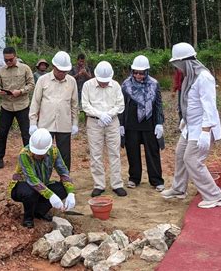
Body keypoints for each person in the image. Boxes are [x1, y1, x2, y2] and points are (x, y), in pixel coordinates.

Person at [161, 42, 221, 209]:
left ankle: (216, 196)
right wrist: (185, 118)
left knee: (192, 160)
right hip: (190, 126)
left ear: (186, 62)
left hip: (202, 127)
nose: (177, 68)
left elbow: (209, 106)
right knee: (180, 154)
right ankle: (178, 189)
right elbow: (190, 102)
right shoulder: (189, 77)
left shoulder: (204, 77)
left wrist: (206, 131)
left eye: (178, 64)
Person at [8, 128, 76, 228]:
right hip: (23, 186)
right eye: (36, 152)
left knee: (62, 189)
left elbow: (63, 172)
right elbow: (31, 179)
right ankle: (28, 218)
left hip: (43, 185)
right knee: (30, 192)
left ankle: (39, 211)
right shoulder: (24, 154)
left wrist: (71, 192)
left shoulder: (54, 152)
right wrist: (51, 195)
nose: (37, 155)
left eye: (41, 153)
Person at [119, 55, 165, 192]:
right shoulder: (126, 85)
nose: (138, 75)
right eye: (136, 72)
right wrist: (121, 124)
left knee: (153, 152)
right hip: (131, 124)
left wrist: (159, 122)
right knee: (132, 151)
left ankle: (156, 180)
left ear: (147, 72)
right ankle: (134, 178)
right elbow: (121, 106)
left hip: (149, 124)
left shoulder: (154, 84)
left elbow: (158, 105)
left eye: (141, 73)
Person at [82, 61, 126, 197]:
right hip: (94, 122)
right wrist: (99, 114)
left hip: (112, 122)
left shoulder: (116, 86)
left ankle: (117, 184)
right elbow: (85, 104)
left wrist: (109, 114)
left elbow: (120, 105)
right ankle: (99, 184)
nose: (104, 83)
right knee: (96, 154)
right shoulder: (88, 86)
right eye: (101, 81)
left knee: (114, 153)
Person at [29, 51, 79, 171]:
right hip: (46, 124)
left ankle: (65, 182)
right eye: (60, 70)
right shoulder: (43, 80)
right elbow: (35, 102)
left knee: (64, 155)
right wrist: (33, 123)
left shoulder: (72, 81)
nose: (62, 73)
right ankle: (42, 181)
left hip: (64, 124)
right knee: (43, 154)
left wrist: (75, 124)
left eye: (65, 71)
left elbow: (74, 104)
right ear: (54, 67)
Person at [0, 47, 35, 169]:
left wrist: (21, 91)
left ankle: (30, 158)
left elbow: (31, 84)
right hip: (6, 106)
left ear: (15, 57)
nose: (8, 62)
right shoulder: (1, 71)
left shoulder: (25, 68)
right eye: (5, 60)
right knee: (2, 133)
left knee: (26, 133)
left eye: (10, 60)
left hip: (22, 105)